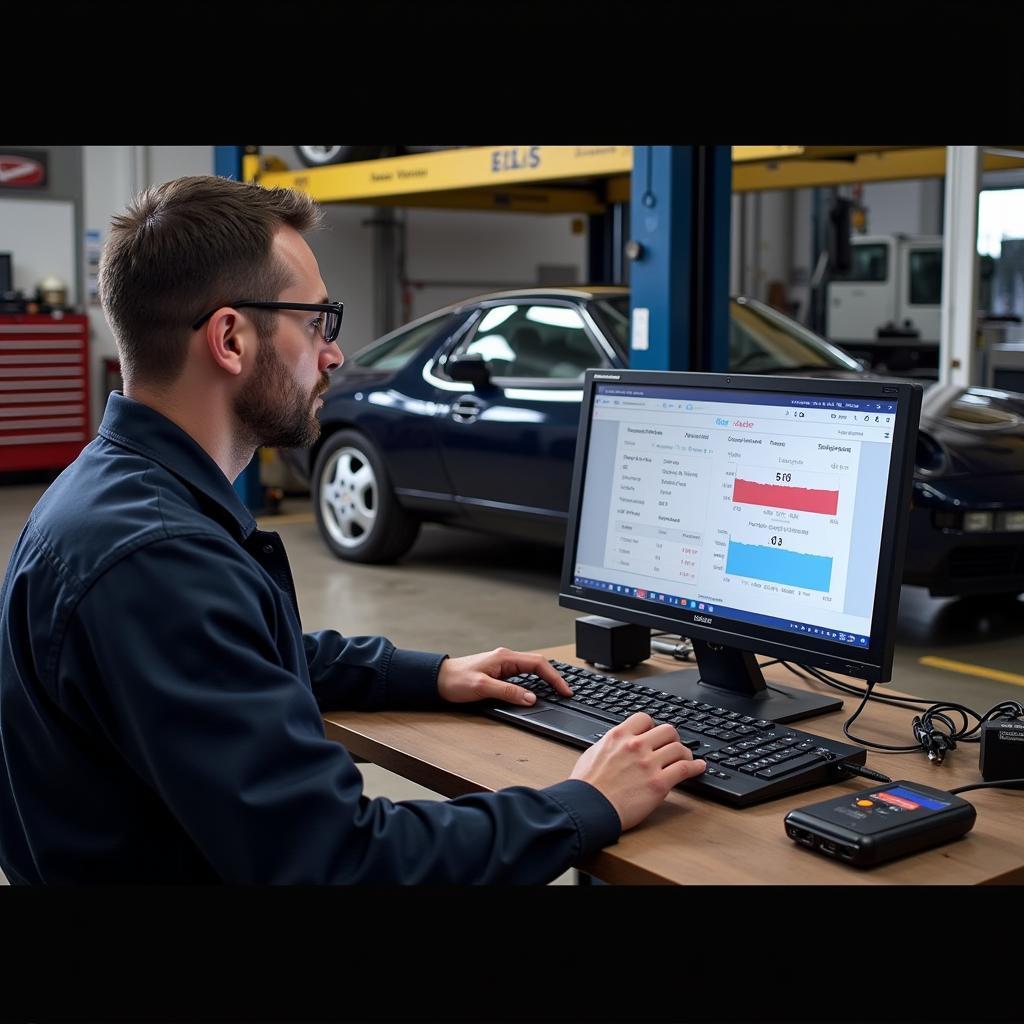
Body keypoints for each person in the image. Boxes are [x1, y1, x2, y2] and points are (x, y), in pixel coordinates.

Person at [0, 175, 706, 884]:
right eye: (315, 322)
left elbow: (241, 657)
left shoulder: (118, 495)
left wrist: (432, 675)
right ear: (230, 338)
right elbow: (341, 862)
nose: (333, 353)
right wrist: (584, 803)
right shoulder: (157, 559)